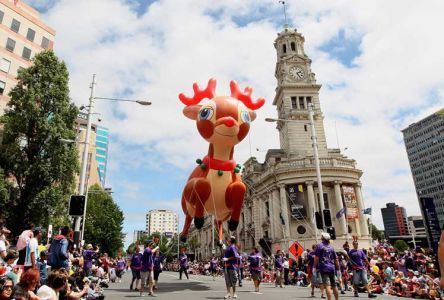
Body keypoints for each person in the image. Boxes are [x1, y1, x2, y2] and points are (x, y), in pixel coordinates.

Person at [314, 233, 339, 300]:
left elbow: (316, 257)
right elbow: (336, 259)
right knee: (334, 285)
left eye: (322, 236)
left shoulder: (319, 246)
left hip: (324, 268)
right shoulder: (331, 247)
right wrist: (338, 269)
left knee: (327, 285)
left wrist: (314, 267)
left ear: (323, 238)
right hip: (332, 268)